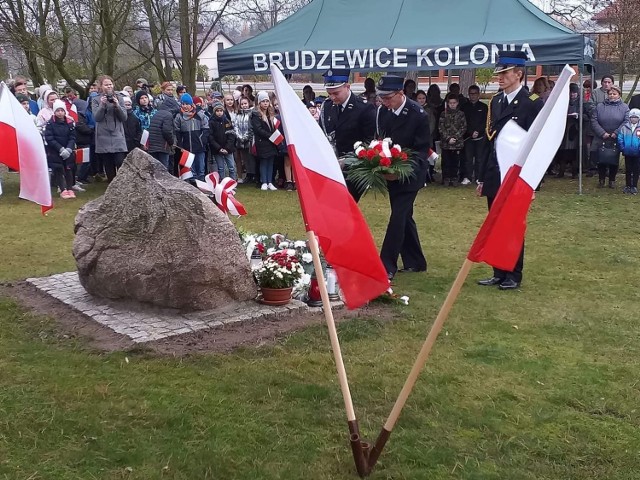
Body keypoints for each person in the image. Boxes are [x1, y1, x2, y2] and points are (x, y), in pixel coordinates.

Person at [477, 50, 543, 291]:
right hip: (496, 172)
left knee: (512, 225)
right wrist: (482, 177)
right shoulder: (496, 101)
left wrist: (532, 181)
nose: (500, 77)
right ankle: (498, 270)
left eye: (505, 73)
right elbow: (491, 142)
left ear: (519, 74)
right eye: (499, 73)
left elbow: (536, 145)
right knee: (494, 223)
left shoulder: (532, 103)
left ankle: (513, 273)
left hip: (516, 175)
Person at [375, 75, 431, 280]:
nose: (385, 102)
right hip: (391, 173)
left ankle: (386, 264)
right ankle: (416, 261)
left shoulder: (418, 114)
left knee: (398, 216)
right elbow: (382, 141)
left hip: (411, 174)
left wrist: (400, 170)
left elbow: (421, 150)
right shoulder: (383, 112)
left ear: (401, 93)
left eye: (388, 98)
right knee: (405, 216)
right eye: (382, 98)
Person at [319, 68, 376, 202]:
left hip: (353, 169)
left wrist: (347, 161)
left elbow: (369, 142)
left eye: (336, 93)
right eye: (329, 94)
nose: (332, 97)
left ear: (347, 87)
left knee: (344, 205)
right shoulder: (327, 106)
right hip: (331, 166)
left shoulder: (364, 108)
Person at [591, 85, 629, 188]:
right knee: (601, 159)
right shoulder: (600, 106)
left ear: (619, 95)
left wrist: (616, 133)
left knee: (614, 159)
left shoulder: (624, 107)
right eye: (610, 94)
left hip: (616, 137)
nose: (612, 95)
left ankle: (612, 180)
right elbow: (594, 120)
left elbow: (626, 121)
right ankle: (601, 179)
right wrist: (602, 133)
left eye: (614, 94)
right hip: (601, 137)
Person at [91, 75, 128, 181]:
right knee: (108, 164)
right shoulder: (96, 100)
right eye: (106, 84)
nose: (109, 86)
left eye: (110, 84)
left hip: (117, 135)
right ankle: (112, 187)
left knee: (120, 161)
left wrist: (117, 105)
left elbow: (124, 117)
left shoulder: (119, 98)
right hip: (103, 136)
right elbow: (97, 118)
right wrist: (102, 105)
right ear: (101, 86)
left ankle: (122, 185)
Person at [44, 100, 77, 199]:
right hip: (56, 151)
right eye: (57, 111)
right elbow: (49, 138)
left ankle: (70, 188)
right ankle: (63, 189)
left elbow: (73, 137)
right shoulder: (50, 124)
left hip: (68, 150)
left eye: (62, 110)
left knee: (69, 169)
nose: (60, 113)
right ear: (54, 112)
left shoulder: (70, 123)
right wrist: (60, 149)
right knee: (58, 170)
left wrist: (69, 149)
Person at [175, 93, 209, 180]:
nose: (185, 106)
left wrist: (202, 140)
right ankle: (193, 187)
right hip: (186, 148)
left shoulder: (199, 115)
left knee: (201, 168)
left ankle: (201, 186)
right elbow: (177, 131)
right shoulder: (179, 116)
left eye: (187, 104)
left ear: (191, 104)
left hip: (199, 146)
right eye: (183, 104)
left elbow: (206, 128)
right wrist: (180, 144)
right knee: (190, 170)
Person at [250, 91, 279, 190]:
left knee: (270, 161)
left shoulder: (270, 113)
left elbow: (273, 126)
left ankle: (270, 181)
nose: (265, 103)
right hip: (262, 142)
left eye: (267, 101)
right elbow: (258, 129)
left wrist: (275, 135)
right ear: (259, 103)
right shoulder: (256, 114)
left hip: (271, 142)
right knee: (264, 161)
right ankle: (264, 181)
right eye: (263, 101)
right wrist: (270, 136)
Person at [461, 85, 489, 184]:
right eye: (471, 94)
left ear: (478, 94)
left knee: (479, 158)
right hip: (468, 137)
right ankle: (467, 177)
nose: (473, 96)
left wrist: (478, 131)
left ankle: (478, 177)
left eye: (475, 94)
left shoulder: (484, 107)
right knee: (468, 159)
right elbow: (464, 122)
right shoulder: (464, 107)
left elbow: (485, 122)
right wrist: (471, 132)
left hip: (480, 136)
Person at [439, 92, 467, 186]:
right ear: (447, 103)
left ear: (457, 103)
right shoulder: (443, 114)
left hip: (457, 143)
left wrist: (455, 138)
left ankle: (454, 178)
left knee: (455, 162)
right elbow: (441, 128)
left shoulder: (461, 114)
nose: (452, 105)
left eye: (454, 103)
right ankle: (446, 178)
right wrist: (448, 138)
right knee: (446, 162)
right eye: (450, 103)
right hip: (446, 144)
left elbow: (463, 127)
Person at [556, 83, 581, 178]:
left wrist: (578, 116)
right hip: (563, 129)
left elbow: (587, 115)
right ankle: (561, 171)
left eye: (574, 92)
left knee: (573, 152)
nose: (572, 94)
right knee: (563, 151)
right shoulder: (563, 101)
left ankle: (574, 172)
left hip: (575, 130)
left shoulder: (581, 103)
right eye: (570, 92)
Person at [148, 95, 179, 170]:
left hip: (153, 146)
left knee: (155, 168)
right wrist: (171, 142)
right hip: (163, 146)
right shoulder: (168, 115)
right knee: (164, 169)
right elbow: (167, 131)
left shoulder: (156, 114)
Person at [208, 100, 237, 180]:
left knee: (231, 167)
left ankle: (233, 182)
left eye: (221, 110)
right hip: (217, 149)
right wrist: (219, 148)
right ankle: (222, 183)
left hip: (228, 149)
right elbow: (211, 137)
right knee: (221, 168)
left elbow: (231, 135)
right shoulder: (211, 122)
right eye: (217, 111)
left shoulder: (227, 121)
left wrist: (227, 148)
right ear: (214, 112)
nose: (219, 112)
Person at [617, 109, 640, 194]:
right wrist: (623, 148)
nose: (634, 119)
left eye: (636, 117)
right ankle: (628, 185)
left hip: (637, 153)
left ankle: (634, 186)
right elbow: (620, 138)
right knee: (628, 169)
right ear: (629, 118)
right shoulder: (624, 127)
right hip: (627, 152)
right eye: (632, 117)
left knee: (636, 170)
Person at [234, 97, 255, 184]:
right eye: (242, 104)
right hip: (240, 140)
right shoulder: (238, 115)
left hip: (249, 140)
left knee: (251, 158)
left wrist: (246, 137)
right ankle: (248, 174)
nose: (244, 105)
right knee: (245, 158)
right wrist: (239, 136)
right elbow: (235, 126)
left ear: (248, 103)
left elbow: (250, 127)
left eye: (245, 103)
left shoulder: (251, 114)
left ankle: (253, 174)